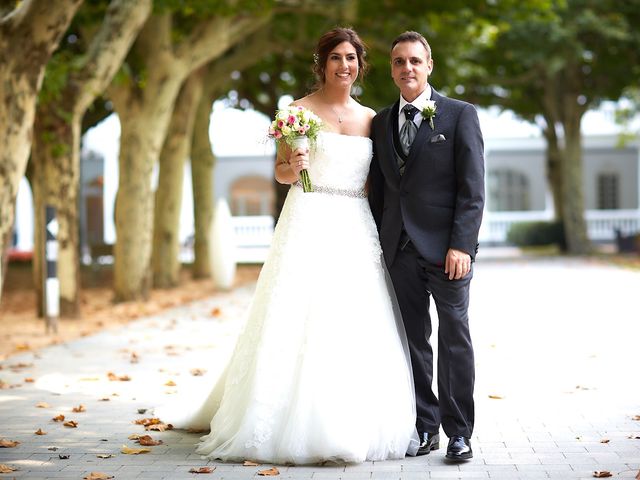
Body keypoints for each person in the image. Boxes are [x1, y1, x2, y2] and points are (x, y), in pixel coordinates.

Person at [156, 27, 418, 465]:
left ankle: (352, 418)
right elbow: (279, 174)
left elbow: (376, 183)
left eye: (351, 58)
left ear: (360, 65)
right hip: (308, 217)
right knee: (298, 312)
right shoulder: (296, 112)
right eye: (335, 58)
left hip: (354, 224)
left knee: (351, 315)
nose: (344, 65)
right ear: (322, 64)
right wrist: (294, 166)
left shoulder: (371, 118)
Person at [368, 31, 485, 461]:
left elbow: (472, 189)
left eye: (415, 61)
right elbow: (379, 190)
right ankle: (424, 425)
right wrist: (382, 243)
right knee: (412, 341)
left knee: (455, 338)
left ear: (429, 65)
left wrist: (462, 246)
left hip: (446, 253)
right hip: (399, 250)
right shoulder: (380, 123)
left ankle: (459, 433)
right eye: (399, 61)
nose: (407, 68)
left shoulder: (459, 115)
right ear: (392, 69)